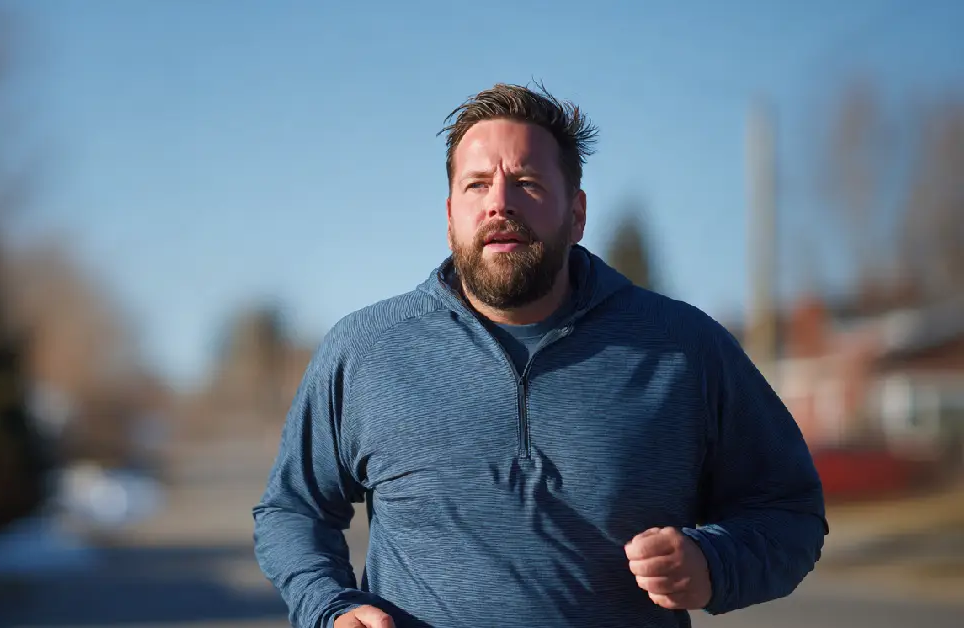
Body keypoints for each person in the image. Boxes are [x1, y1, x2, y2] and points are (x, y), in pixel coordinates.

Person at [252, 82, 827, 628]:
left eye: (526, 182)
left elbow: (789, 512)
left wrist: (714, 562)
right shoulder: (365, 350)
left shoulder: (684, 348)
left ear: (576, 215)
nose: (499, 203)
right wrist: (329, 605)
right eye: (477, 185)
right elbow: (292, 511)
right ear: (449, 217)